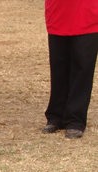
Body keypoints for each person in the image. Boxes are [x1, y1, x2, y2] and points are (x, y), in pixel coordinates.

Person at [42, 0, 98, 139]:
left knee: (82, 68)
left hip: (87, 14)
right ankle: (56, 116)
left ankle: (75, 119)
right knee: (58, 67)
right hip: (58, 12)